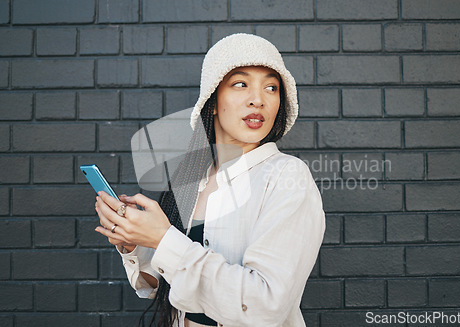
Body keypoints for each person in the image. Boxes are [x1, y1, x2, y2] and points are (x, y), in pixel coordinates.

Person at [94, 33, 326, 327]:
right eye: (241, 84)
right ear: (213, 101)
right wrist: (134, 242)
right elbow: (168, 285)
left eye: (271, 87)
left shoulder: (286, 176)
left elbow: (266, 305)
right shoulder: (193, 178)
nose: (259, 99)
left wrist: (163, 239)